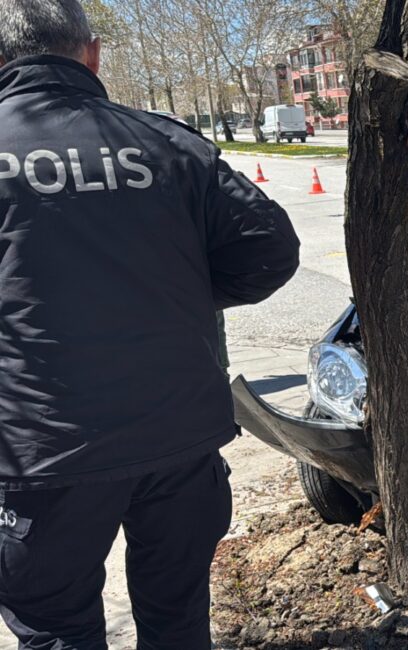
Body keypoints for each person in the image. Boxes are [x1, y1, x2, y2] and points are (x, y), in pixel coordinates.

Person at [0, 1, 300, 648]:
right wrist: (182, 296)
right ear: (93, 54)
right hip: (178, 443)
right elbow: (270, 248)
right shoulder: (167, 143)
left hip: (42, 457)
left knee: (56, 631)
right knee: (178, 623)